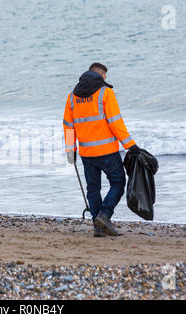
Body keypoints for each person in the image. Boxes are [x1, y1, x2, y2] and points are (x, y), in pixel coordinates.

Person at [63, 62, 140, 237]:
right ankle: (104, 216)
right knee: (118, 184)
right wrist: (130, 145)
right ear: (101, 76)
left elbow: (68, 125)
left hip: (86, 153)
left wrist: (70, 149)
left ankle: (98, 227)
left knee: (93, 189)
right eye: (105, 77)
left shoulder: (72, 97)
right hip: (107, 152)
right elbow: (115, 122)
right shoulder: (106, 93)